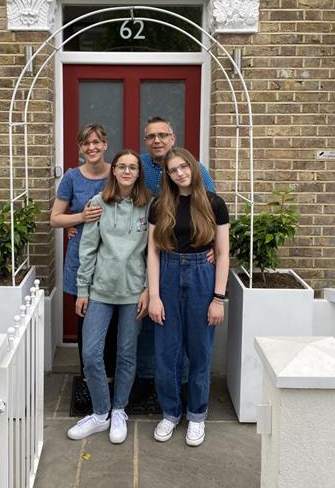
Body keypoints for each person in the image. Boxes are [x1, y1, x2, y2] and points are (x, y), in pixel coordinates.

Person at [67, 150, 152, 444]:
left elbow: (154, 252)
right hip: (100, 291)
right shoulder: (98, 203)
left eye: (132, 167)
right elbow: (87, 249)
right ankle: (100, 412)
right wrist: (82, 289)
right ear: (113, 171)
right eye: (122, 166)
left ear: (138, 173)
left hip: (133, 293)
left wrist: (148, 289)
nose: (127, 171)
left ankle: (119, 410)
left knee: (127, 354)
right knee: (91, 354)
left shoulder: (149, 206)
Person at [147, 148, 229, 447]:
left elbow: (222, 254)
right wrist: (154, 296)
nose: (180, 173)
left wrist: (218, 298)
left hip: (201, 280)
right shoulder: (160, 205)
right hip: (168, 274)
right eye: (173, 170)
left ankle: (196, 415)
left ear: (193, 168)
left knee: (199, 353)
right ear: (167, 175)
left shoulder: (213, 203)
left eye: (184, 167)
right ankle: (170, 413)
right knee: (166, 354)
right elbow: (153, 253)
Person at [134, 116, 215, 394]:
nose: (157, 140)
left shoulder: (197, 170)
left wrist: (214, 246)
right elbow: (114, 194)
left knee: (185, 327)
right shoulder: (140, 166)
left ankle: (182, 388)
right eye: (151, 136)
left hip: (186, 257)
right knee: (151, 320)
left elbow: (211, 210)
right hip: (146, 251)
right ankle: (150, 380)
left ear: (173, 137)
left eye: (163, 135)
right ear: (146, 141)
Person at [50, 123, 112, 412]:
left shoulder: (119, 172)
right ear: (80, 147)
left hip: (112, 260)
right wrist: (79, 219)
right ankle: (88, 380)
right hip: (80, 260)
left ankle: (109, 382)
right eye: (86, 143)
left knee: (111, 325)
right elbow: (55, 218)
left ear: (105, 144)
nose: (92, 148)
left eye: (97, 142)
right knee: (84, 322)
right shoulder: (72, 178)